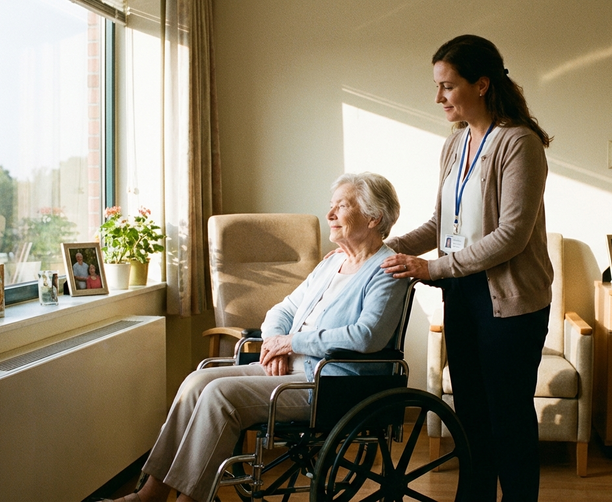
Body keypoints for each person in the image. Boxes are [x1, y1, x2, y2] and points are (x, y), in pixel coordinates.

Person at [106, 172, 408, 502]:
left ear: (374, 217)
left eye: (342, 206)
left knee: (220, 395)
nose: (330, 214)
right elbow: (282, 310)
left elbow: (366, 336)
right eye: (331, 205)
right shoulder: (332, 263)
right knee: (196, 383)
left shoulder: (387, 271)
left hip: (329, 383)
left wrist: (291, 343)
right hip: (290, 368)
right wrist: (274, 343)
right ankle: (149, 494)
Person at [380, 34, 553, 501]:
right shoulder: (455, 144)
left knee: (508, 418)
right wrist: (382, 248)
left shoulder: (519, 144)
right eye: (437, 86)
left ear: (481, 84)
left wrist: (431, 269)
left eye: (448, 86)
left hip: (510, 303)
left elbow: (511, 237)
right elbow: (440, 224)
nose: (438, 97)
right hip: (462, 295)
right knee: (471, 417)